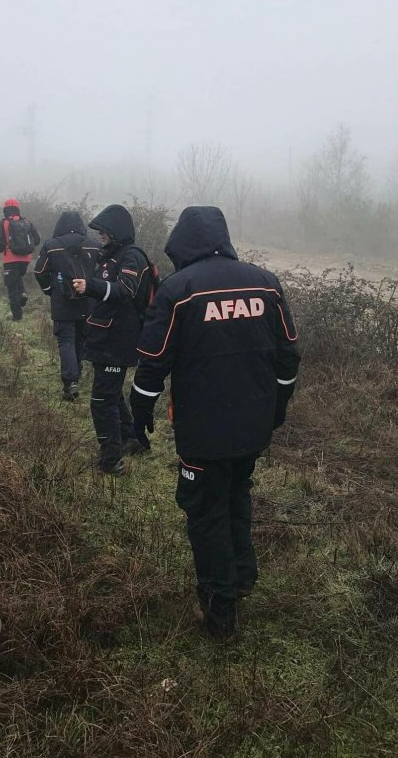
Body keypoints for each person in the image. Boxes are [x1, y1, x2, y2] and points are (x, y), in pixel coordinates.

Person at [129, 206, 300, 639]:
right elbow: (288, 357)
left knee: (205, 512)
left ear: (181, 244)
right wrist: (277, 408)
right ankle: (242, 578)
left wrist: (140, 410)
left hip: (203, 432)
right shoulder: (266, 283)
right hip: (254, 427)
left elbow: (152, 362)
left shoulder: (177, 289)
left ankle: (219, 612)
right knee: (236, 494)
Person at [72, 204, 152, 475]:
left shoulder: (132, 257)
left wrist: (90, 286)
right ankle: (132, 439)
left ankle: (110, 460)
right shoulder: (112, 256)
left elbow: (126, 291)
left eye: (104, 231)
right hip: (104, 339)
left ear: (117, 231)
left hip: (117, 342)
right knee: (112, 393)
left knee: (101, 401)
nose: (100, 235)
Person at [33, 210, 101, 400]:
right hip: (88, 301)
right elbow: (105, 271)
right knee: (80, 339)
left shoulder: (51, 246)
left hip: (62, 302)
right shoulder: (94, 245)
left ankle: (70, 382)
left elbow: (39, 272)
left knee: (66, 341)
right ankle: (75, 376)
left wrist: (49, 290)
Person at [0, 198, 40, 321]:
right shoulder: (27, 222)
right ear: (17, 209)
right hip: (26, 259)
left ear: (5, 209)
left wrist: (2, 248)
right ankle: (23, 293)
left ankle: (16, 316)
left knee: (11, 286)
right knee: (18, 277)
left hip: (10, 259)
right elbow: (37, 239)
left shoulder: (3, 223)